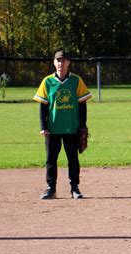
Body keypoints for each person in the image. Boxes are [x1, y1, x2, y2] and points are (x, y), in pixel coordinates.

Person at [33, 51, 92, 199]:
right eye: (58, 61)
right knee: (51, 159)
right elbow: (43, 106)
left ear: (68, 63)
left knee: (73, 158)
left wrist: (83, 125)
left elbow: (82, 105)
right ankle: (51, 188)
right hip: (52, 128)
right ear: (54, 63)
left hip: (72, 127)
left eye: (63, 61)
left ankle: (75, 188)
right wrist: (43, 126)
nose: (60, 63)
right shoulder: (47, 82)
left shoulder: (76, 81)